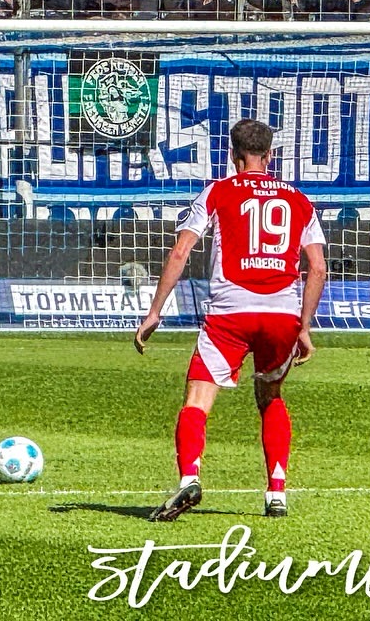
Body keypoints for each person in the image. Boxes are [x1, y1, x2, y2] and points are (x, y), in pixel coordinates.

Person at [134, 118, 327, 522]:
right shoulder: (298, 198)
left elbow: (180, 252)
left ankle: (190, 476)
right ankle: (276, 492)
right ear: (269, 156)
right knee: (271, 396)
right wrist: (304, 325)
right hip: (282, 313)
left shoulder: (218, 191)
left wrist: (155, 311)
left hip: (230, 313)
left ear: (234, 156)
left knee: (198, 400)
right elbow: (318, 268)